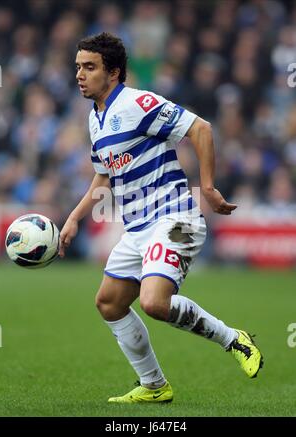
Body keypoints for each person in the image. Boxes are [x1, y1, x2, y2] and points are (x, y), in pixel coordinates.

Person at [59, 32, 263, 403]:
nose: (80, 75)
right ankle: (154, 386)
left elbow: (200, 128)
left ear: (114, 72)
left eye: (89, 67)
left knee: (154, 303)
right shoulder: (96, 119)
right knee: (108, 303)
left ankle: (235, 340)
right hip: (138, 229)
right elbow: (103, 175)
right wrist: (74, 217)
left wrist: (208, 187)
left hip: (175, 218)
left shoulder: (139, 103)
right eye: (77, 67)